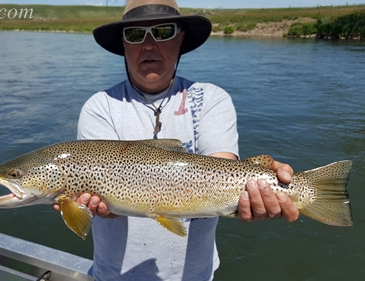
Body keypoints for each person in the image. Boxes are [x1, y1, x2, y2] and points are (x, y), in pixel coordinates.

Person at [54, 0, 299, 280]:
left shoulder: (211, 99)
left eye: (162, 32)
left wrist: (258, 189)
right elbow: (101, 206)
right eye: (135, 34)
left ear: (180, 38)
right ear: (123, 44)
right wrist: (98, 208)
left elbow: (221, 167)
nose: (148, 44)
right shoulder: (100, 106)